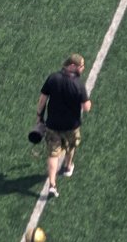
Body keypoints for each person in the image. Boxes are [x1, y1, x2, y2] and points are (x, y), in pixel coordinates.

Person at [35, 54, 92, 197]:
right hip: (71, 126)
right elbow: (86, 108)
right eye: (81, 66)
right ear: (72, 66)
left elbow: (42, 100)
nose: (83, 69)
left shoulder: (53, 78)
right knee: (71, 146)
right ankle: (67, 167)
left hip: (53, 125)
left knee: (53, 154)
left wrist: (39, 117)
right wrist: (87, 102)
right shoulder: (78, 84)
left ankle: (52, 185)